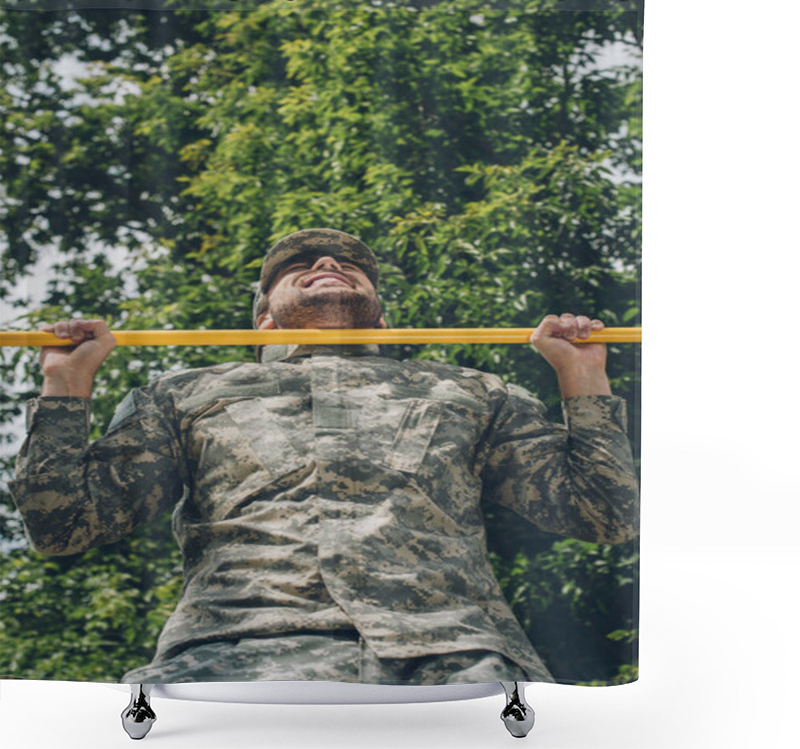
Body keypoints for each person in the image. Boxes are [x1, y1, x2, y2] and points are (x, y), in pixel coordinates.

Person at [10, 228, 638, 686]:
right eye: (299, 266)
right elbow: (62, 526)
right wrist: (67, 386)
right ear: (262, 323)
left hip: (457, 664)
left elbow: (602, 514)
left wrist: (582, 379)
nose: (328, 262)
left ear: (386, 321)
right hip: (234, 661)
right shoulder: (185, 392)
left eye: (345, 263)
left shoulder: (472, 392)